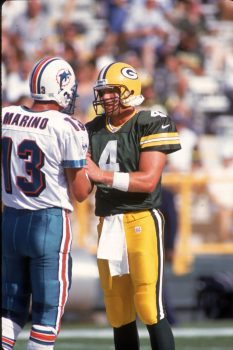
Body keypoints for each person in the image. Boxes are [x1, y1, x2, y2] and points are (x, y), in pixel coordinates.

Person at [85, 62, 181, 350]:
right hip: (108, 221)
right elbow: (81, 191)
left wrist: (100, 174)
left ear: (128, 91)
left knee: (149, 306)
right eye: (101, 92)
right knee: (117, 311)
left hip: (141, 219)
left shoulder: (150, 121)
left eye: (110, 92)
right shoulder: (91, 129)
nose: (104, 98)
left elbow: (148, 181)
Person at [1, 56, 92, 350]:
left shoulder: (6, 116)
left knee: (8, 309)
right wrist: (92, 168)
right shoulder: (68, 126)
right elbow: (80, 191)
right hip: (48, 223)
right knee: (46, 313)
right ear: (62, 87)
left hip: (11, 220)